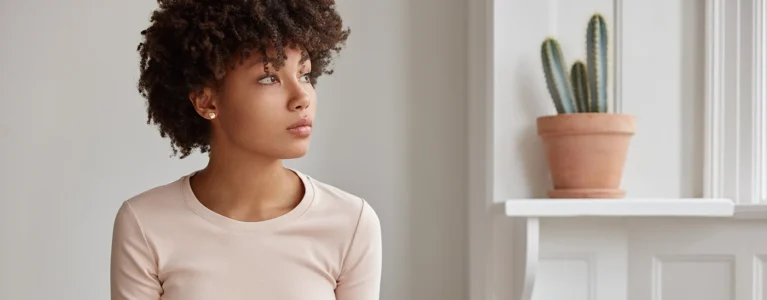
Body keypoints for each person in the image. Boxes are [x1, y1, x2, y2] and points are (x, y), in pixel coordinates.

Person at [109, 1, 382, 299]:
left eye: (304, 74)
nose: (301, 97)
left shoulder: (350, 222)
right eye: (269, 78)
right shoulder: (146, 223)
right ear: (206, 101)